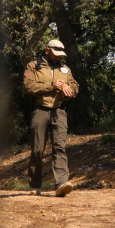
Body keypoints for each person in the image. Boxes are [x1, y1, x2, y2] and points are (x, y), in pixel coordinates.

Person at [23, 39, 79, 197]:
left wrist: (68, 88)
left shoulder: (65, 69)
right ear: (47, 50)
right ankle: (35, 185)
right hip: (40, 110)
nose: (58, 57)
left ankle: (61, 184)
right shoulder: (33, 66)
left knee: (59, 147)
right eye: (55, 54)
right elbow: (28, 87)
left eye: (60, 55)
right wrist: (52, 84)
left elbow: (75, 88)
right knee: (37, 150)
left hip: (59, 112)